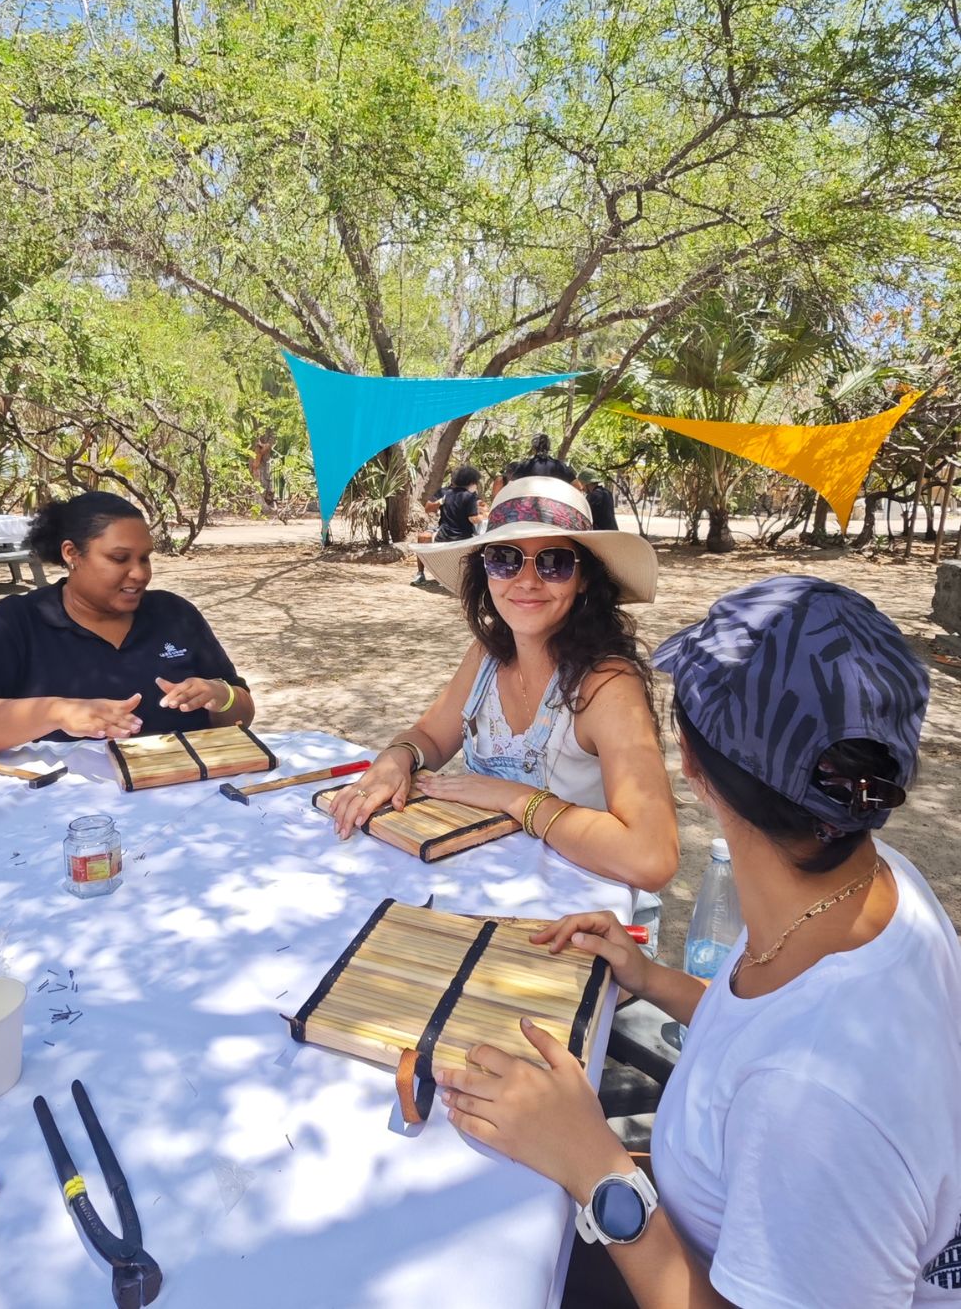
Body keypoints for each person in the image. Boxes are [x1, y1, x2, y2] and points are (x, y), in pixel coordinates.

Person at [435, 575, 961, 1309]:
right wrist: (650, 977)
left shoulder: (809, 1103)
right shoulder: (875, 880)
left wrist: (599, 1168)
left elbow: (792, 1084)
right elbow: (770, 1027)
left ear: (692, 765)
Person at [332, 476, 678, 896]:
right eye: (504, 559)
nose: (527, 581)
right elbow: (428, 737)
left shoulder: (606, 685)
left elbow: (651, 858)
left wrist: (515, 798)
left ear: (584, 578)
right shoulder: (486, 657)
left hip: (574, 911)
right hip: (482, 888)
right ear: (485, 571)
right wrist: (396, 758)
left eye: (554, 563)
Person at [0, 492, 255, 755]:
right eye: (119, 558)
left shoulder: (175, 614)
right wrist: (57, 712)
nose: (139, 573)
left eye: (145, 558)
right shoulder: (17, 624)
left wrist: (220, 695)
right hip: (67, 812)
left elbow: (242, 712)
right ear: (72, 554)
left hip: (185, 795)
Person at [412, 464, 484, 588]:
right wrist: (440, 502)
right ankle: (420, 573)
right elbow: (428, 508)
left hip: (446, 532)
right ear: (471, 482)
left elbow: (481, 505)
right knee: (423, 537)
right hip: (454, 532)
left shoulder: (456, 494)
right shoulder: (447, 492)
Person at [509, 433, 577, 484]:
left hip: (529, 502)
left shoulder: (524, 466)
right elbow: (577, 485)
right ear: (549, 448)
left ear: (533, 448)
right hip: (553, 502)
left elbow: (512, 484)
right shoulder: (559, 466)